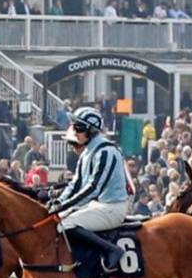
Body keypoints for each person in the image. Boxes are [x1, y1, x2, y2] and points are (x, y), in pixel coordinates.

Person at [45, 106, 130, 269]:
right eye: (74, 126)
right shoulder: (87, 152)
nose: (74, 132)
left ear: (91, 131)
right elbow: (75, 184)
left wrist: (64, 205)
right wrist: (59, 201)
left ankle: (112, 251)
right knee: (57, 219)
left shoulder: (106, 152)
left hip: (112, 207)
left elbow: (93, 188)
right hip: (97, 205)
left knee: (66, 225)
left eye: (79, 128)